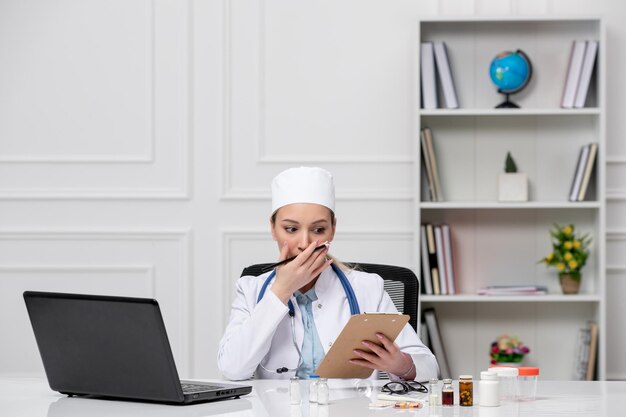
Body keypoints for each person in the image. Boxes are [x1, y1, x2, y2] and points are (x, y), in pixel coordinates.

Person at [218, 167, 438, 381]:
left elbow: (429, 366)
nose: (304, 244)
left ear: (332, 229)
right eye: (291, 229)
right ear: (273, 228)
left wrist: (401, 364)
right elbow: (232, 369)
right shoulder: (250, 289)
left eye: (318, 229)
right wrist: (280, 292)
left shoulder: (368, 288)